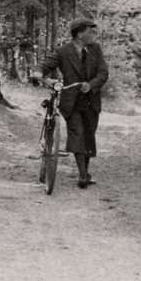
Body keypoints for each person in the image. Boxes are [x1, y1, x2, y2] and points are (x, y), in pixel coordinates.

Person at [39, 16, 109, 189]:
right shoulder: (63, 51)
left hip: (91, 101)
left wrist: (91, 85)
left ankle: (85, 170)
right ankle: (83, 174)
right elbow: (47, 64)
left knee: (89, 136)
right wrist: (38, 72)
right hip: (72, 102)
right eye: (90, 31)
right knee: (77, 133)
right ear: (79, 34)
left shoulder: (95, 49)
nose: (93, 34)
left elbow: (103, 73)